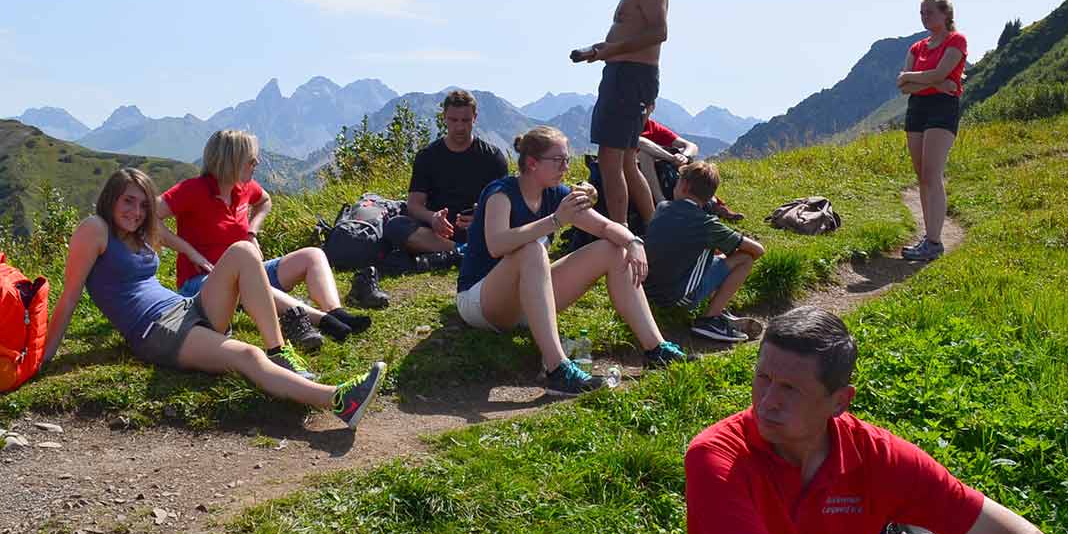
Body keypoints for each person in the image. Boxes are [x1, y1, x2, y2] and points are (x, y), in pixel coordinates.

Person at [678, 306, 1068, 534]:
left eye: (790, 390)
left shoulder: (874, 456)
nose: (766, 402)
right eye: (762, 378)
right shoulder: (717, 456)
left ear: (839, 401)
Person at [43, 168, 384, 429]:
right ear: (110, 199)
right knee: (247, 355)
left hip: (183, 308)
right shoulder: (95, 229)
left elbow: (171, 238)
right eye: (127, 201)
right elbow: (70, 297)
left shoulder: (138, 233)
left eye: (143, 204)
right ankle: (338, 400)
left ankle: (280, 352)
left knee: (241, 253)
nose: (135, 211)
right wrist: (43, 360)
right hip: (156, 330)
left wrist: (191, 252)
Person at [455, 125, 694, 396]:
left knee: (613, 248)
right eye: (558, 161)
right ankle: (557, 369)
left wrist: (633, 242)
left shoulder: (557, 193)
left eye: (567, 159)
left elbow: (605, 227)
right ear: (532, 163)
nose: (565, 167)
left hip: (525, 299)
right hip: (481, 301)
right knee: (533, 250)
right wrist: (556, 220)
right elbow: (497, 245)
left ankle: (656, 348)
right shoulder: (501, 193)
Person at [158, 130, 371, 352]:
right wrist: (189, 252)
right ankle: (324, 321)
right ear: (231, 161)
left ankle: (336, 311)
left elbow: (264, 201)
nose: (257, 163)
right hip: (203, 283)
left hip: (250, 272)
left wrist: (252, 233)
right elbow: (149, 218)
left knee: (312, 255)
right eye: (251, 159)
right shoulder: (192, 190)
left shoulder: (244, 188)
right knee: (242, 280)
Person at [573, 0, 668, 227]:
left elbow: (659, 32)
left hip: (630, 77)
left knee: (610, 159)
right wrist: (602, 51)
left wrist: (612, 50)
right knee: (626, 159)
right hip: (625, 73)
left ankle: (620, 233)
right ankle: (652, 227)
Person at [643, 161, 764, 343]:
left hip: (647, 290)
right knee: (745, 259)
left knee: (711, 255)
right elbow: (758, 250)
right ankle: (710, 320)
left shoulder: (662, 208)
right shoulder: (708, 224)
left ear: (684, 186)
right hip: (677, 297)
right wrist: (726, 248)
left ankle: (717, 312)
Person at [385, 88, 509, 255]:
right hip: (435, 233)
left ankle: (453, 253)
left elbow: (507, 205)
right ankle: (461, 252)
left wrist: (481, 218)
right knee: (396, 225)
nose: (459, 127)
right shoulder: (427, 156)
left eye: (465, 120)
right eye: (453, 120)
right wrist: (433, 217)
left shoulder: (492, 157)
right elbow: (414, 205)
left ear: (475, 119)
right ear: (444, 118)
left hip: (480, 230)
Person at [896, 0, 966, 262]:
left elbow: (921, 76)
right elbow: (904, 88)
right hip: (918, 108)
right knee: (922, 176)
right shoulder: (917, 47)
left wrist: (913, 77)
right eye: (922, 12)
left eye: (930, 12)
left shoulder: (956, 40)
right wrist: (935, 82)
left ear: (945, 14)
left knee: (931, 173)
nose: (925, 17)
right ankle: (929, 237)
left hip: (942, 107)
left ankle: (934, 241)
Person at [637, 100, 744, 221]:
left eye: (645, 106)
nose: (641, 111)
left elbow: (691, 146)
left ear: (652, 107)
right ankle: (661, 202)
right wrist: (671, 158)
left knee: (696, 168)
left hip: (663, 173)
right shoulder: (626, 127)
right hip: (639, 173)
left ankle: (715, 204)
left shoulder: (652, 127)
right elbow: (639, 142)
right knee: (645, 154)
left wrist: (685, 156)